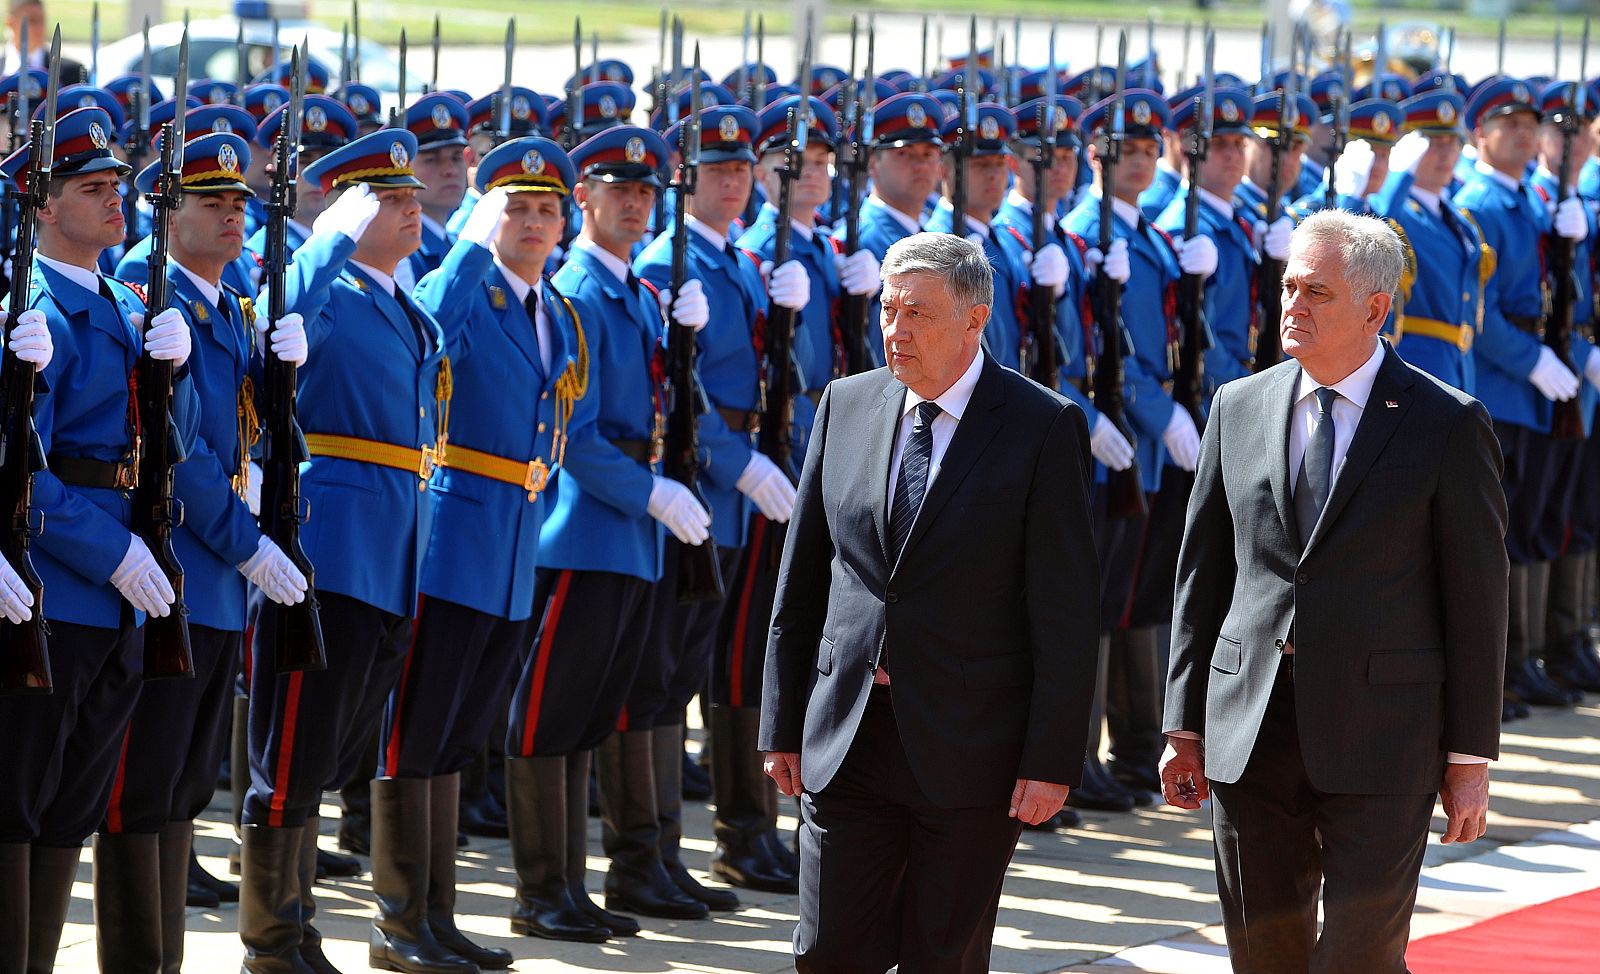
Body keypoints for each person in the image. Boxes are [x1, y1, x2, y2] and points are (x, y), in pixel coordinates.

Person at [1161, 209, 1507, 974]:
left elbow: (1477, 602)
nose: (1294, 306)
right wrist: (1183, 723)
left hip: (1385, 738)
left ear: (1376, 308)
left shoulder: (1445, 424)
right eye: (1288, 287)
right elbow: (1203, 577)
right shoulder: (1238, 406)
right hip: (1253, 731)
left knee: (1359, 957)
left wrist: (1470, 755)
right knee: (1264, 954)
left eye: (1317, 291)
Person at [759, 232, 1100, 974]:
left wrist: (1051, 759)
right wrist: (781, 723)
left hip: (970, 748)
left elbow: (1066, 613)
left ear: (974, 321)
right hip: (847, 735)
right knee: (826, 953)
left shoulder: (1041, 426)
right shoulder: (845, 404)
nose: (895, 329)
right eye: (887, 308)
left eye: (917, 312)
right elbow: (803, 582)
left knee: (942, 956)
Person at [92, 130, 309, 973]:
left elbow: (250, 444)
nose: (230, 217)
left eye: (238, 204)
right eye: (209, 203)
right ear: (166, 214)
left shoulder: (227, 306)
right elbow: (173, 461)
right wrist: (248, 543)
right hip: (172, 571)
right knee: (141, 789)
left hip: (216, 583)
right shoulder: (158, 306)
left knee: (184, 786)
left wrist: (281, 372)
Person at [240, 127, 448, 973]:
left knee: (330, 748)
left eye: (409, 197)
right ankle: (271, 938)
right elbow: (267, 307)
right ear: (346, 205)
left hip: (393, 548)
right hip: (329, 541)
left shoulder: (402, 299)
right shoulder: (324, 288)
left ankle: (302, 922)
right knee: (291, 747)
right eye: (388, 199)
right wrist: (320, 241)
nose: (410, 209)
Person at [0, 104, 197, 972]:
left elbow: (168, 450)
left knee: (74, 804)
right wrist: (107, 552)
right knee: (17, 802)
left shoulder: (130, 302)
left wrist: (179, 378)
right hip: (58, 582)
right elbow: (18, 469)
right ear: (42, 206)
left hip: (128, 587)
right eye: (93, 187)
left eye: (119, 184)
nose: (117, 199)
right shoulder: (25, 310)